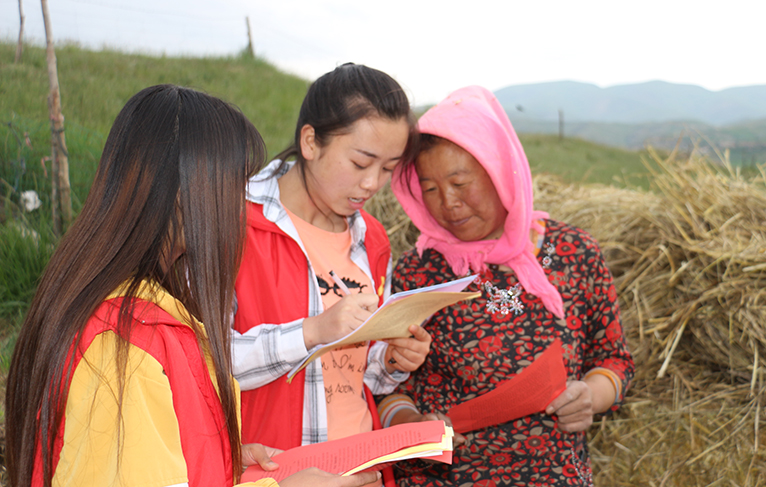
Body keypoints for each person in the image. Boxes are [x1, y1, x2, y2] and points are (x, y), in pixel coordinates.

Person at [5, 84, 381, 487]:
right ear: (185, 193)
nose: (242, 204)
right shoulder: (124, 346)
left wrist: (223, 460)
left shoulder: (140, 309)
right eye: (235, 186)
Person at [380, 85, 635, 487]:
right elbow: (384, 383)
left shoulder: (574, 252)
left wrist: (591, 395)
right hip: (447, 478)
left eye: (460, 182)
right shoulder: (419, 272)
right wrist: (411, 425)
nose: (448, 203)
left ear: (500, 171)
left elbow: (614, 359)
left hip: (554, 475)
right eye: (429, 189)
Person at [230, 64, 431, 485]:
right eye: (360, 162)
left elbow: (358, 372)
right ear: (310, 142)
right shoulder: (233, 225)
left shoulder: (371, 239)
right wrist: (313, 330)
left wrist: (392, 359)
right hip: (277, 474)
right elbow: (202, 364)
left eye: (389, 168)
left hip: (362, 470)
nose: (372, 183)